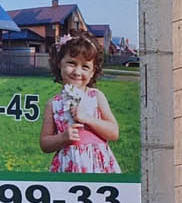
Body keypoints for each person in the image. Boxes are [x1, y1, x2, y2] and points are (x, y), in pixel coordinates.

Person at [39, 34, 121, 173]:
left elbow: (113, 132)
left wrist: (87, 118)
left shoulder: (96, 97)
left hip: (97, 165)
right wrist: (63, 138)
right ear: (59, 63)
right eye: (71, 63)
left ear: (93, 72)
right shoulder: (53, 104)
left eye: (85, 67)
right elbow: (44, 144)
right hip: (68, 164)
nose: (77, 72)